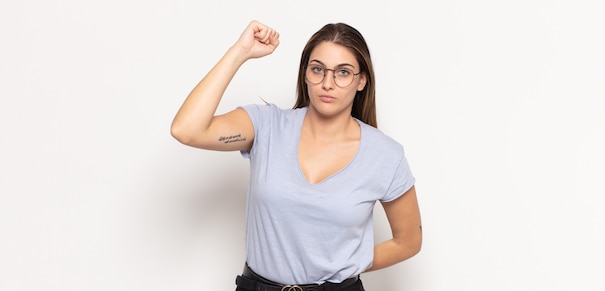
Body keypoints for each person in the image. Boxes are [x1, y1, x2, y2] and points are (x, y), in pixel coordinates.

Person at [171, 20, 422, 291]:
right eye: (318, 70)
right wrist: (240, 52)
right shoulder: (266, 126)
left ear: (362, 80)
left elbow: (408, 241)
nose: (328, 83)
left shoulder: (384, 154)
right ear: (305, 74)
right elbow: (187, 130)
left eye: (343, 72)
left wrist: (346, 263)